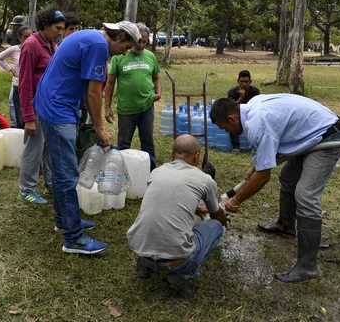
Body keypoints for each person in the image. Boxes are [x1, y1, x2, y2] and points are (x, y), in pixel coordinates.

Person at [210, 94, 340, 283]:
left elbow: (263, 177)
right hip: (309, 134)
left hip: (327, 136)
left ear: (232, 118)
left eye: (225, 127)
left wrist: (235, 200)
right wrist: (256, 164)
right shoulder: (251, 109)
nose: (227, 132)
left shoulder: (257, 123)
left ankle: (307, 268)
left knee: (306, 195)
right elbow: (266, 151)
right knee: (288, 178)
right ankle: (286, 225)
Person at [33, 18, 140, 255]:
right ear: (120, 37)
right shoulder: (98, 46)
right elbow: (94, 92)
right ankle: (73, 238)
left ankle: (64, 221)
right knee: (66, 174)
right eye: (125, 48)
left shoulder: (90, 36)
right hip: (57, 108)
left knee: (62, 170)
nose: (122, 54)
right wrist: (100, 128)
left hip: (56, 104)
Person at [127, 135, 227, 298]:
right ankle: (183, 275)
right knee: (215, 226)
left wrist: (194, 209)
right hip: (177, 261)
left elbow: (162, 200)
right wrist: (223, 219)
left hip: (140, 250)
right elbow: (216, 213)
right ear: (197, 156)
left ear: (172, 154)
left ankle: (145, 266)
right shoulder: (205, 180)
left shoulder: (156, 172)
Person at [18, 8, 60, 204]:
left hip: (48, 107)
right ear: (45, 26)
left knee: (49, 148)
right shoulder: (31, 45)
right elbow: (25, 82)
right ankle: (26, 189)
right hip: (34, 107)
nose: (60, 31)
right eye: (57, 28)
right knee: (33, 149)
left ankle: (50, 184)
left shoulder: (51, 44)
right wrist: (28, 118)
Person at [105, 23, 161, 171]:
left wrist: (158, 93)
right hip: (126, 109)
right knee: (123, 143)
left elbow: (156, 77)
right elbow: (109, 83)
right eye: (139, 41)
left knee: (147, 141)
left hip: (147, 106)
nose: (141, 45)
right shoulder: (119, 55)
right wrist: (107, 107)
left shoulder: (150, 56)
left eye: (145, 41)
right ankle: (121, 172)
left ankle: (151, 170)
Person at [0, 25, 32, 129]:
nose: (28, 39)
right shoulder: (14, 49)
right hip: (18, 85)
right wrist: (9, 68)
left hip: (32, 86)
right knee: (20, 115)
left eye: (30, 36)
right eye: (25, 37)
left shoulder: (35, 49)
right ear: (20, 38)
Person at [226, 70, 260, 155]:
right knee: (231, 121)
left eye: (246, 82)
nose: (244, 84)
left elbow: (258, 106)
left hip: (252, 114)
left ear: (250, 82)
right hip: (237, 114)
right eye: (241, 81)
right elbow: (232, 109)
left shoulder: (255, 92)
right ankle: (236, 147)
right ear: (238, 81)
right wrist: (241, 98)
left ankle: (255, 146)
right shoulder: (232, 92)